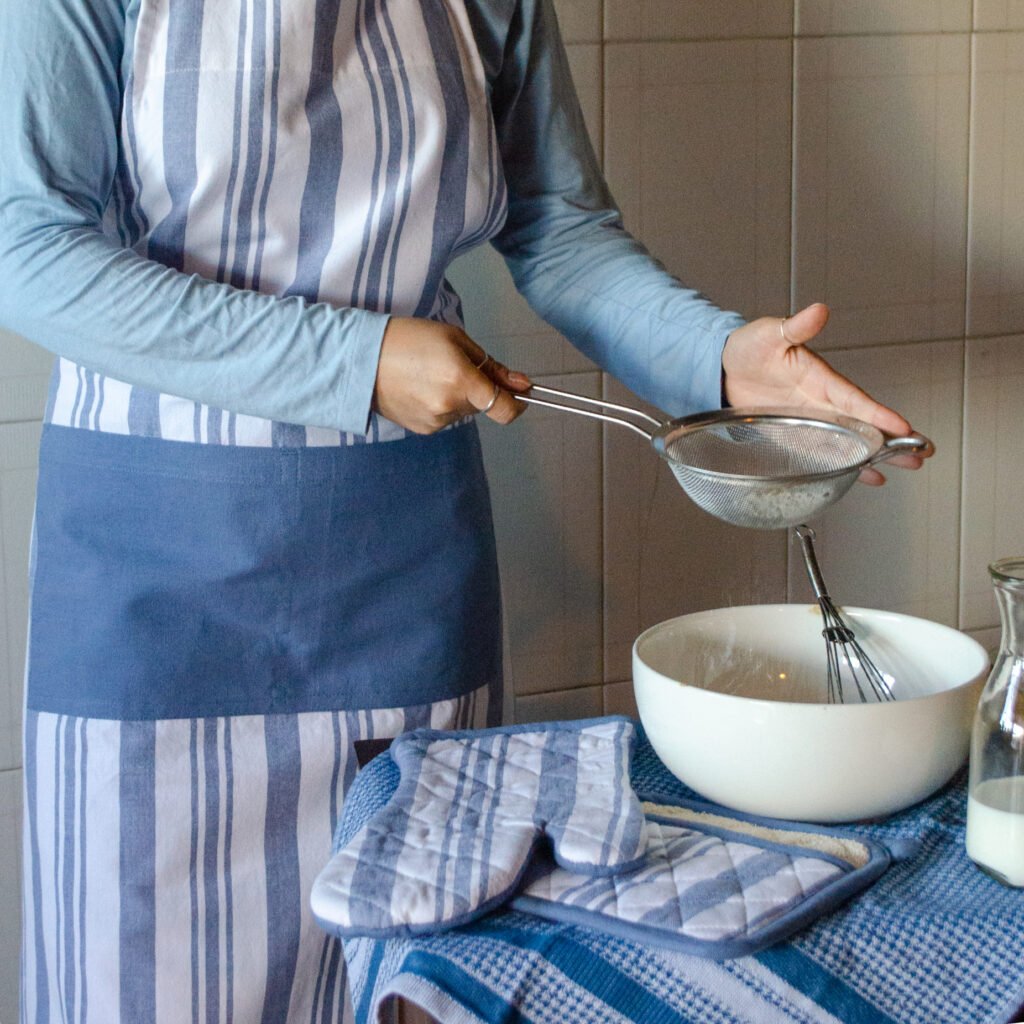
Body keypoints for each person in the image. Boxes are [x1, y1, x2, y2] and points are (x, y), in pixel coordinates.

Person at [0, 0, 926, 1021]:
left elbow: (556, 227)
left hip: (401, 577)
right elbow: (25, 246)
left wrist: (716, 356)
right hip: (155, 589)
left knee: (415, 985)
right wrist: (352, 360)